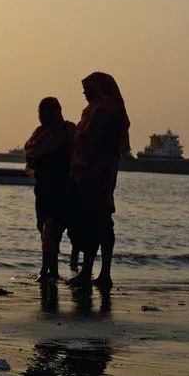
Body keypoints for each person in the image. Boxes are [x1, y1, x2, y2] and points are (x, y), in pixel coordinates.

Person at [67, 72, 130, 289]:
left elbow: (96, 142)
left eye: (87, 89)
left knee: (99, 221)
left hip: (97, 174)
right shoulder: (94, 109)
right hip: (86, 173)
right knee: (90, 222)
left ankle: (101, 273)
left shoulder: (106, 111)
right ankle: (90, 270)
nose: (84, 93)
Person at [24, 97, 77, 283]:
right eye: (40, 112)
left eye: (46, 112)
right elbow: (30, 150)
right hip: (44, 187)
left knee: (51, 228)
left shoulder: (67, 131)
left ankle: (47, 269)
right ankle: (51, 269)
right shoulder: (41, 132)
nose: (42, 116)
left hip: (60, 187)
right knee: (45, 228)